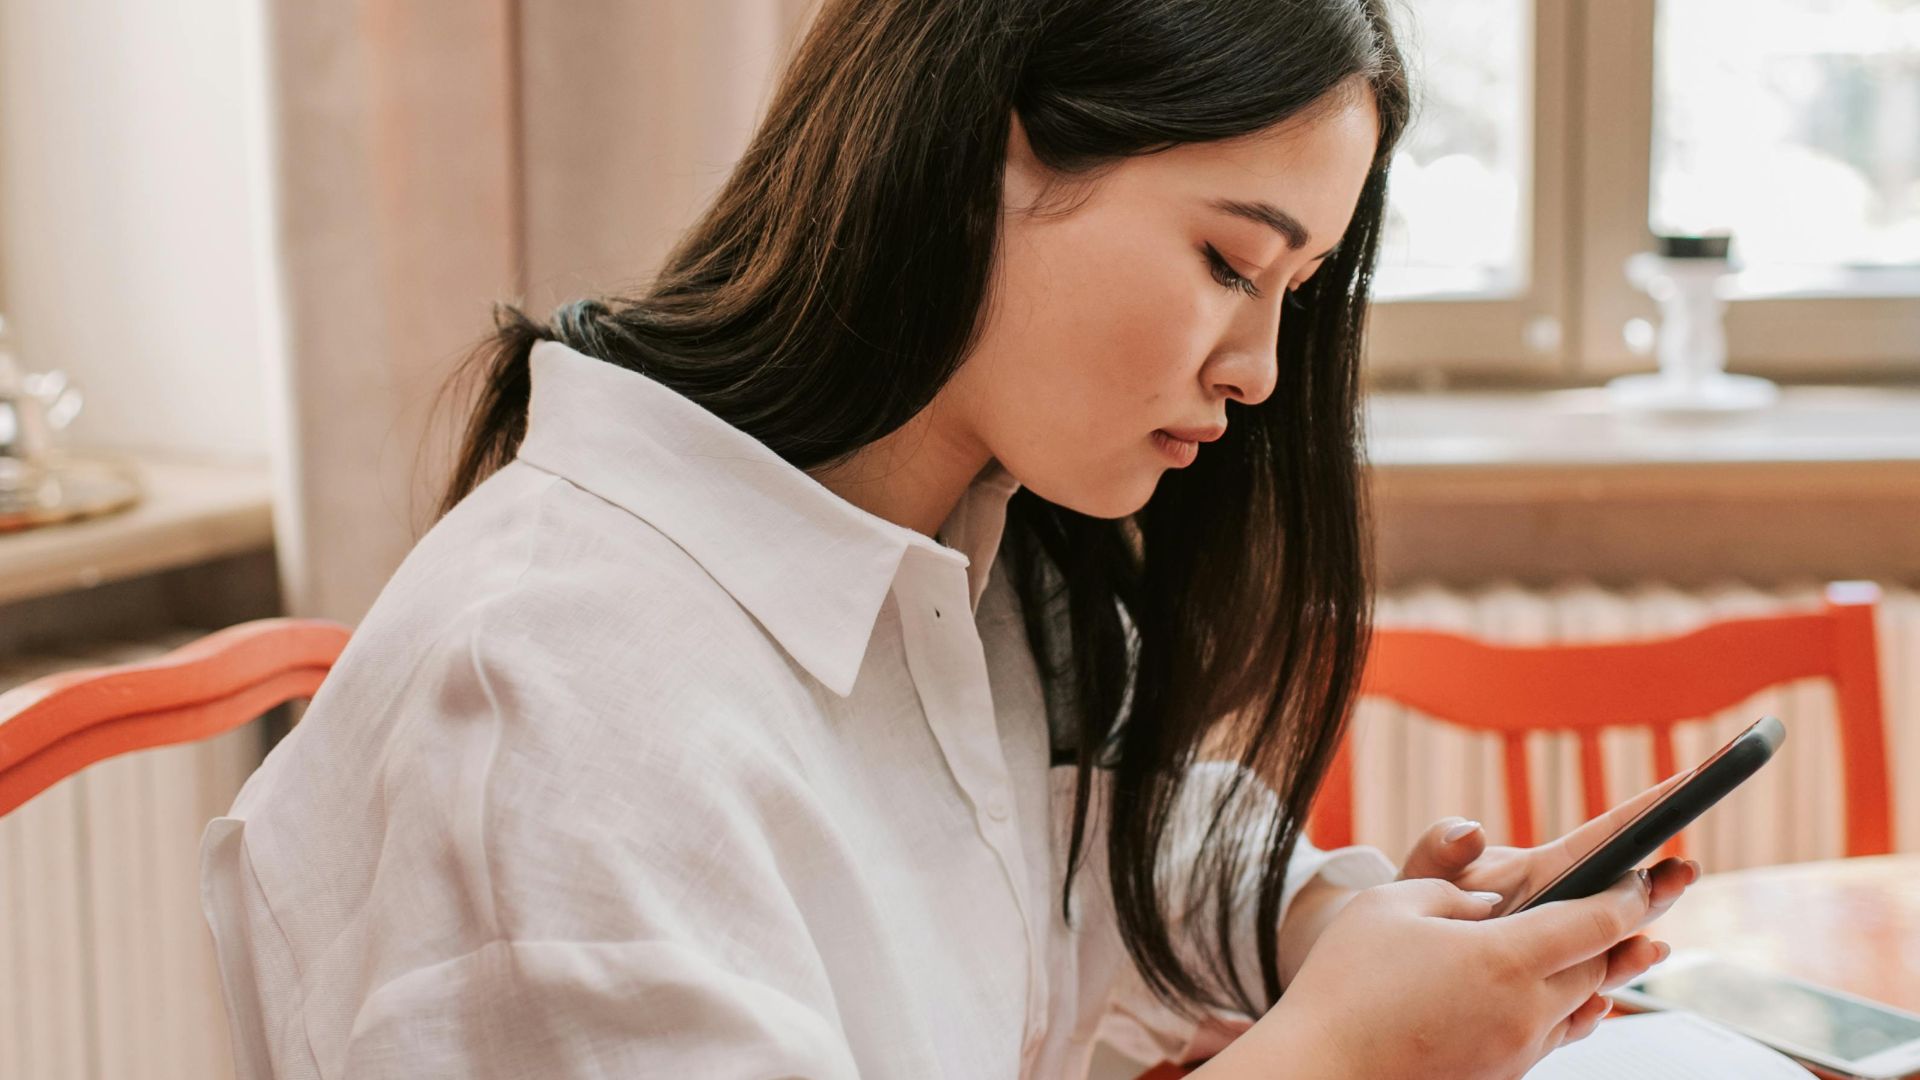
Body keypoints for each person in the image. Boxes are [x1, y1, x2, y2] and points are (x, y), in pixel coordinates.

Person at [199, 0, 1698, 1077]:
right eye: (1229, 260)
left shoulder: (944, 563)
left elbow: (1103, 828)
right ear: (984, 154)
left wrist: (1328, 923)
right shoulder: (553, 712)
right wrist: (1337, 1061)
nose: (1257, 371)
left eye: (1292, 292)